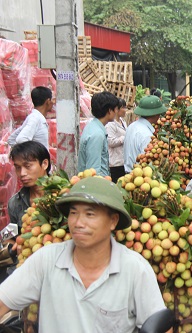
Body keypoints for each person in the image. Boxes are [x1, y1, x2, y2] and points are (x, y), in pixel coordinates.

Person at [0, 177, 166, 332]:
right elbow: (3, 300)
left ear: (113, 221)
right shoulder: (46, 259)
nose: (78, 223)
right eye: (73, 213)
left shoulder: (135, 269)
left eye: (90, 214)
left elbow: (161, 327)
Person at [7, 141, 50, 230]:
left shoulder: (63, 195)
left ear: (44, 164)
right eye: (18, 167)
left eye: (28, 166)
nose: (22, 173)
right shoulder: (15, 203)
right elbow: (9, 236)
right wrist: (8, 242)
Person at [78, 91, 119, 177]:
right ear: (109, 110)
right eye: (115, 109)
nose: (116, 112)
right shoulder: (97, 135)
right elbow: (93, 171)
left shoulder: (93, 127)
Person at [124, 95, 166, 173]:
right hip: (139, 176)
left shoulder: (131, 126)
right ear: (156, 114)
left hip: (128, 175)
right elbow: (146, 161)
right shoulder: (147, 135)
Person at [106, 98, 128, 183]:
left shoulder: (123, 121)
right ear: (117, 109)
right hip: (115, 163)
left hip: (122, 161)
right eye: (123, 107)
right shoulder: (111, 124)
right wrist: (124, 138)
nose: (125, 110)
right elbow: (111, 141)